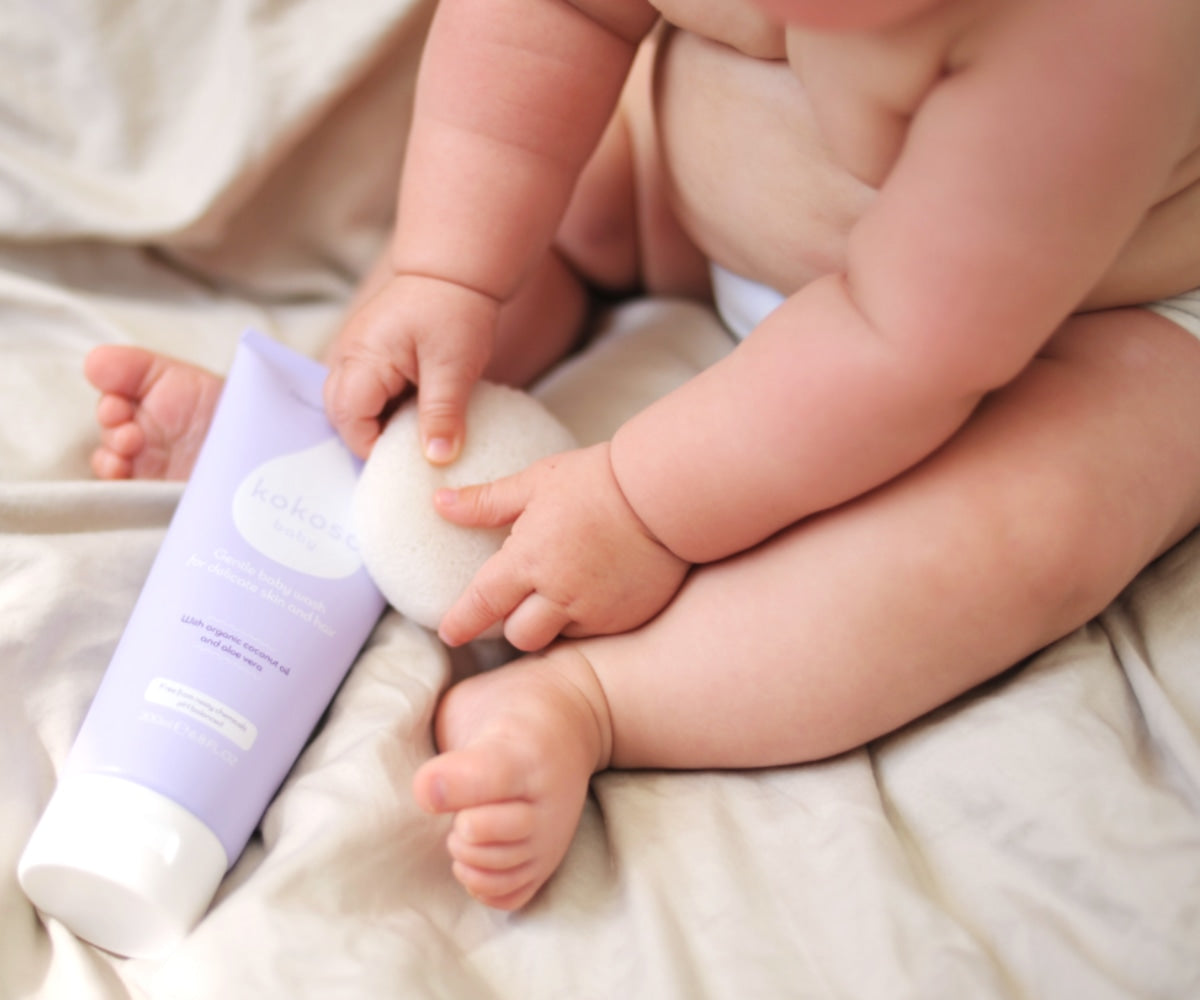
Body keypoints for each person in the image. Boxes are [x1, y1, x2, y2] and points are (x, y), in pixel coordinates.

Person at [86, 0, 1200, 911]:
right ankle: (324, 436)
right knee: (528, 211)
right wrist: (449, 272)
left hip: (1068, 319)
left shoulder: (1096, 33)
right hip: (727, 204)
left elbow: (904, 345)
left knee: (1037, 519)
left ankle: (605, 701)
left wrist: (642, 501)